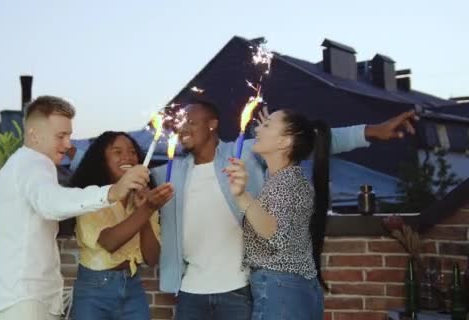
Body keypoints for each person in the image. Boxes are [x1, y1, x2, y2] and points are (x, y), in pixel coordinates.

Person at [152, 99, 417, 320]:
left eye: (191, 121)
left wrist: (370, 131)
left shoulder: (243, 154)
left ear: (212, 125)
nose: (182, 127)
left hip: (242, 288)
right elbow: (128, 185)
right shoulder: (169, 173)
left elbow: (308, 141)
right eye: (179, 122)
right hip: (190, 292)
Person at [0, 96, 150, 320]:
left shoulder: (23, 166)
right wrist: (112, 192)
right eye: (60, 136)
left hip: (27, 299)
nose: (68, 144)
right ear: (34, 135)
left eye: (69, 135)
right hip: (24, 302)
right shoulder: (32, 164)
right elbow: (51, 203)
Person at [225, 109, 331, 319]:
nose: (256, 128)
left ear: (284, 142)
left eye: (265, 125)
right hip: (289, 288)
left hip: (280, 289)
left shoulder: (287, 182)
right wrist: (272, 128)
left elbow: (274, 234)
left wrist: (242, 196)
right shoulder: (284, 179)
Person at [68, 131, 174, 319]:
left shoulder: (143, 199)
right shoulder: (91, 196)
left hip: (132, 286)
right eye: (117, 152)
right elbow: (109, 242)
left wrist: (145, 212)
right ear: (102, 160)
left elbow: (152, 258)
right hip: (94, 291)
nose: (127, 157)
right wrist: (146, 210)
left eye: (132, 152)